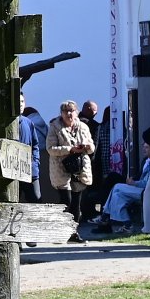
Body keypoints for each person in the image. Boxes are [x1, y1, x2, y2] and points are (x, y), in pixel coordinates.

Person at [47, 99, 95, 231]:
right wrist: (69, 149)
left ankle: (73, 232)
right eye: (65, 111)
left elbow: (92, 148)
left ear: (77, 112)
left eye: (71, 111)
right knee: (66, 200)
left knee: (76, 203)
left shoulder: (83, 127)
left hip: (79, 168)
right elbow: (50, 148)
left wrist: (86, 146)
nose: (69, 114)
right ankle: (60, 229)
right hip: (62, 168)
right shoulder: (54, 127)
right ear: (61, 113)